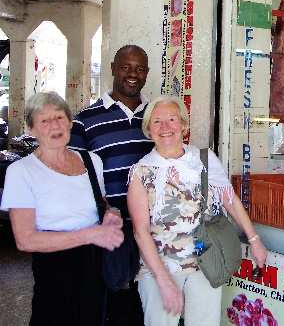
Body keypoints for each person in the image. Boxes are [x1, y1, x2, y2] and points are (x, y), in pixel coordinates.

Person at [128, 96, 268, 326]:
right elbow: (140, 232)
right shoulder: (141, 171)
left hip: (204, 263)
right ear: (148, 129)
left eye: (172, 119)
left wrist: (254, 239)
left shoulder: (203, 158)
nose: (165, 128)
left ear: (184, 125)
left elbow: (229, 199)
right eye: (156, 122)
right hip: (158, 269)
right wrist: (164, 281)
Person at [0, 92, 124, 326]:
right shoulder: (21, 171)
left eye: (59, 117)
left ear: (69, 122)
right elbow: (25, 240)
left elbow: (100, 203)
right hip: (54, 269)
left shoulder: (91, 161)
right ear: (31, 129)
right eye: (44, 121)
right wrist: (92, 234)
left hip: (94, 266)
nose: (54, 126)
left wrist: (110, 215)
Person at [70, 45, 153, 326]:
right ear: (113, 69)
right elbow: (76, 177)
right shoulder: (85, 121)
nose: (133, 74)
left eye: (140, 68)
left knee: (147, 300)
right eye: (126, 67)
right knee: (115, 301)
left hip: (154, 228)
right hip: (111, 229)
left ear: (147, 74)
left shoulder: (156, 117)